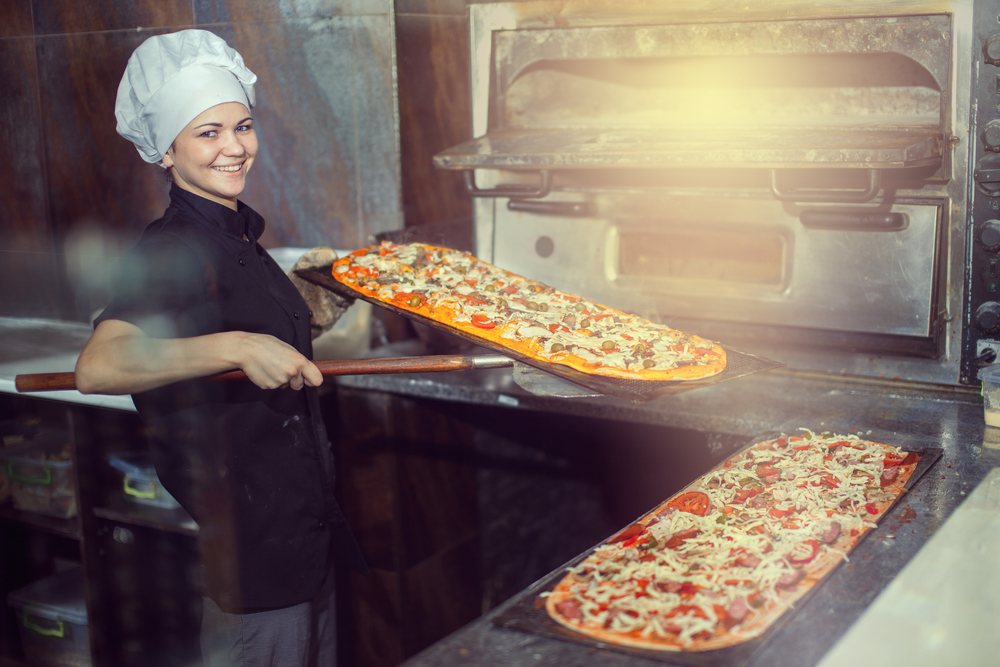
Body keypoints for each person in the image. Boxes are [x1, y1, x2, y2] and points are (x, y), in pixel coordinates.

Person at [75, 29, 366, 666]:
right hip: (253, 560)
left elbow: (249, 337)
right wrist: (236, 345)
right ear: (165, 152)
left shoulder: (238, 237)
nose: (234, 148)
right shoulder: (171, 249)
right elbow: (100, 365)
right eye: (208, 133)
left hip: (302, 539)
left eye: (243, 126)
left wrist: (317, 302)